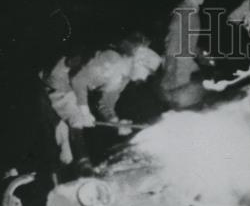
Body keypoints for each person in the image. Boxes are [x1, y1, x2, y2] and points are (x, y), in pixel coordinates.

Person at [42, 37, 162, 169]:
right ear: (139, 62)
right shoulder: (112, 59)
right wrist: (84, 110)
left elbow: (105, 103)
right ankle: (83, 166)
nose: (145, 78)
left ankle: (68, 153)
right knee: (76, 119)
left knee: (68, 144)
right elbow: (78, 79)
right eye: (148, 72)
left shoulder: (123, 79)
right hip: (59, 80)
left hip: (70, 91)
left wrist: (115, 121)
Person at [160, 0, 212, 110]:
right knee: (182, 102)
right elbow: (173, 42)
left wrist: (199, 53)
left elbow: (186, 41)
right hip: (179, 68)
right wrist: (171, 72)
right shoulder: (185, 11)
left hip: (186, 64)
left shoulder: (192, 11)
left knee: (199, 92)